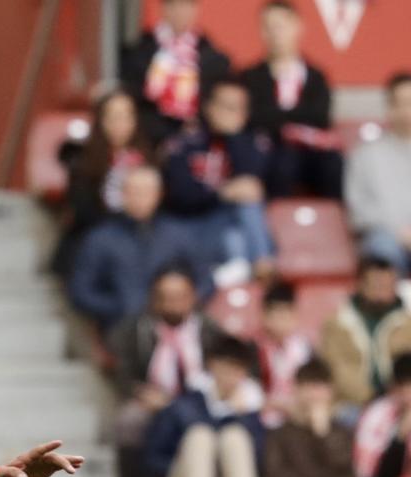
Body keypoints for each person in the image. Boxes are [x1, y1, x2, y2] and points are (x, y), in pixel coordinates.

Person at [106, 265, 218, 477]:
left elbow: (225, 368)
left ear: (193, 297)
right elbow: (122, 369)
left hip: (200, 403)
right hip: (153, 401)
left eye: (180, 295)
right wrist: (140, 392)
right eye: (166, 296)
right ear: (154, 299)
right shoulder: (136, 329)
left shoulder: (210, 330)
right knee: (129, 422)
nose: (173, 303)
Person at [144, 334, 267, 477]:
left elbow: (262, 463)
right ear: (212, 365)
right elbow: (152, 460)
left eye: (237, 370)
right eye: (226, 367)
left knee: (234, 436)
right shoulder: (184, 405)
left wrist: (239, 416)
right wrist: (190, 464)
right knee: (200, 436)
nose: (230, 376)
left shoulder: (251, 409)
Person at [160, 77, 274, 284]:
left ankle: (254, 269)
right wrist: (220, 193)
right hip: (193, 223)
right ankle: (260, 262)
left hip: (230, 223)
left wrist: (235, 136)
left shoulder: (254, 142)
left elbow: (253, 183)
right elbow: (180, 195)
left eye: (236, 108)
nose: (229, 114)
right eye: (224, 106)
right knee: (236, 236)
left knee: (242, 220)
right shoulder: (185, 143)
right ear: (208, 107)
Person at [67, 164, 204, 330]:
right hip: (121, 330)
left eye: (146, 191)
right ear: (123, 195)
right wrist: (118, 306)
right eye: (133, 191)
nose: (140, 198)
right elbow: (81, 291)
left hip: (176, 327)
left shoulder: (179, 234)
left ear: (159, 195)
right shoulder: (100, 238)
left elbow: (205, 280)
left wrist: (178, 303)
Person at [240, 0, 342, 199]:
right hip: (270, 156)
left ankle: (334, 224)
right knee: (284, 161)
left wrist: (280, 119)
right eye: (267, 27)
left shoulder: (316, 76)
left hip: (313, 156)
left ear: (298, 27)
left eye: (280, 26)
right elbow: (254, 118)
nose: (275, 34)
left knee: (334, 164)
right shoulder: (250, 77)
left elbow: (320, 117)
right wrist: (294, 120)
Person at [261, 359, 354, 477]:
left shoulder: (340, 430)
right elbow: (274, 476)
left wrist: (323, 434)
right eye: (309, 387)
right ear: (296, 389)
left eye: (321, 387)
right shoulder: (281, 432)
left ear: (331, 391)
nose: (315, 394)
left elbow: (345, 470)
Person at [57, 89, 153, 271]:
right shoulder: (83, 160)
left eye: (127, 116)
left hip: (140, 237)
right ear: (100, 121)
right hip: (97, 236)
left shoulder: (148, 158)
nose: (120, 124)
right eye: (114, 117)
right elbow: (82, 210)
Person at [120, 0, 231, 144]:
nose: (179, 12)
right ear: (163, 8)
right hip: (149, 138)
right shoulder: (139, 51)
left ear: (195, 9)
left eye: (185, 5)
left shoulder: (213, 57)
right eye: (173, 5)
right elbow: (132, 95)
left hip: (197, 139)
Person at [321, 257, 411, 412]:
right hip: (353, 404)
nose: (382, 293)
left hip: (401, 402)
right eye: (377, 286)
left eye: (388, 286)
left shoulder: (406, 324)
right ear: (360, 284)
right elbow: (336, 370)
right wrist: (371, 397)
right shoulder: (337, 324)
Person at [347, 74, 411, 274]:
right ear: (388, 108)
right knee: (382, 249)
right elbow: (358, 210)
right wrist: (399, 232)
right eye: (398, 103)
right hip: (385, 239)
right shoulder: (365, 154)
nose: (405, 111)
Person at [254, 281, 313, 424]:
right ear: (265, 316)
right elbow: (250, 391)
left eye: (286, 315)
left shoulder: (305, 349)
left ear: (295, 315)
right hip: (263, 416)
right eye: (276, 315)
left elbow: (312, 385)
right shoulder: (255, 349)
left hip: (298, 414)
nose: (282, 322)